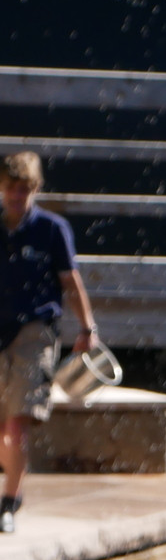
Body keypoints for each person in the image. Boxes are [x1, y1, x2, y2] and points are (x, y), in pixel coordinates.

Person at [1, 153, 97, 534]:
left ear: (35, 190)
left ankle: (9, 500)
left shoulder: (51, 229)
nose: (17, 197)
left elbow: (70, 282)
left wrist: (87, 327)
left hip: (34, 332)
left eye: (24, 189)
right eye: (11, 188)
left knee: (15, 424)